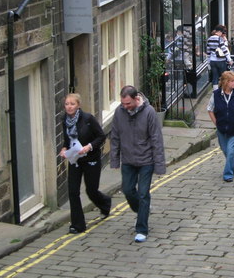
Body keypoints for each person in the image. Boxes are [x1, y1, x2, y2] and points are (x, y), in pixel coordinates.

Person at [110, 85, 166, 243]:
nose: (125, 106)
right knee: (127, 190)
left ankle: (142, 228)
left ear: (136, 99)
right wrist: (115, 159)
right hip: (128, 160)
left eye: (127, 103)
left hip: (146, 160)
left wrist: (159, 164)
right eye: (123, 103)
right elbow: (115, 136)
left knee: (143, 193)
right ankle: (143, 210)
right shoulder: (119, 113)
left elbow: (156, 139)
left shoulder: (149, 113)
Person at [60, 93, 111, 234]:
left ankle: (105, 204)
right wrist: (64, 149)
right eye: (66, 104)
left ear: (78, 105)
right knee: (73, 192)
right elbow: (67, 140)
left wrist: (89, 147)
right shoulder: (64, 120)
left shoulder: (88, 119)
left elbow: (101, 136)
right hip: (75, 160)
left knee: (91, 190)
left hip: (91, 159)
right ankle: (78, 225)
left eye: (72, 104)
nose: (69, 107)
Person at [207, 71, 234, 182]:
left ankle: (228, 174)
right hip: (221, 129)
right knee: (226, 151)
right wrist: (216, 123)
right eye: (232, 81)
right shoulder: (216, 95)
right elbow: (210, 109)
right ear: (225, 82)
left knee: (231, 152)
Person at [206, 25, 233, 90]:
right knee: (224, 76)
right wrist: (229, 60)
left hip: (212, 61)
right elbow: (224, 50)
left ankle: (215, 92)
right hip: (220, 60)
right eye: (222, 32)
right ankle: (223, 90)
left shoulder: (209, 39)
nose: (222, 34)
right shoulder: (219, 39)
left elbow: (208, 51)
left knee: (215, 77)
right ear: (220, 31)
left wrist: (208, 62)